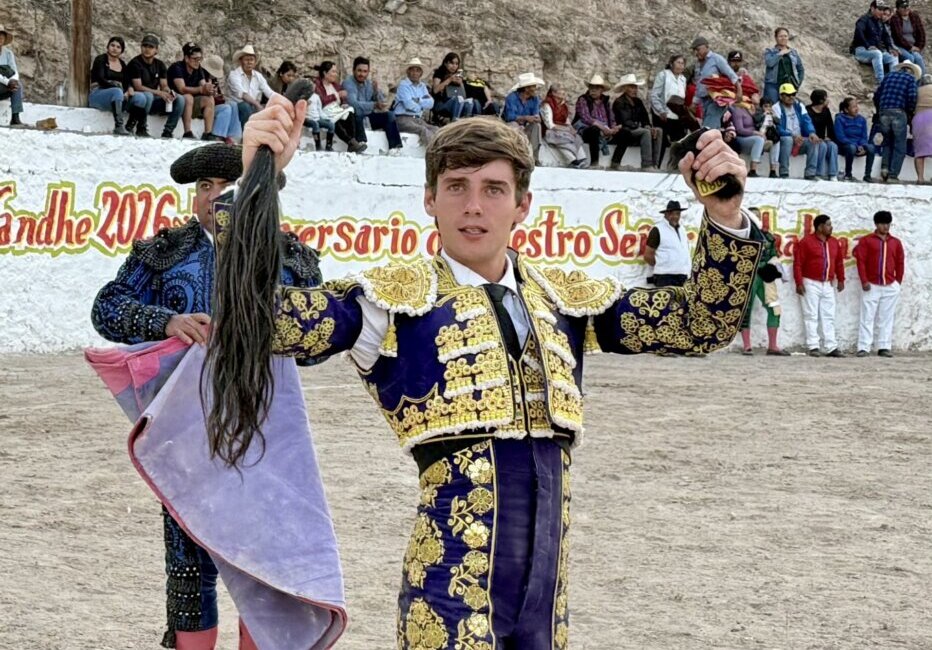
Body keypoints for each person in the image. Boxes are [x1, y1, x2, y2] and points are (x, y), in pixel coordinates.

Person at [209, 95, 761, 649]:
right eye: (457, 187)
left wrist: (724, 213)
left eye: (493, 190)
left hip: (547, 592)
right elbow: (263, 320)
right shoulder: (388, 301)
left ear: (523, 204)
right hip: (450, 584)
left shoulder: (567, 299)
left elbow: (698, 325)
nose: (474, 206)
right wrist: (258, 180)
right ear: (430, 199)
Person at [90, 143, 322, 650]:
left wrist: (273, 327)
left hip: (265, 433)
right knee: (188, 567)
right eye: (205, 187)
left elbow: (313, 349)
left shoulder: (290, 259)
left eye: (229, 188)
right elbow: (107, 309)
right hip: (185, 433)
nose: (215, 198)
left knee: (261, 567)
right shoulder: (165, 252)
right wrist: (165, 321)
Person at [853, 210, 905, 357]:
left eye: (888, 224)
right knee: (867, 316)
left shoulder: (896, 242)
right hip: (872, 284)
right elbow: (861, 262)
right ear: (876, 224)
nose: (886, 227)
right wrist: (864, 280)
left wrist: (898, 282)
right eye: (883, 224)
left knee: (886, 317)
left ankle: (884, 346)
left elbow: (900, 262)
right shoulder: (867, 241)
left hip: (890, 284)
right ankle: (864, 347)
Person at [794, 214, 846, 357]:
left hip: (828, 284)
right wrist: (799, 282)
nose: (831, 227)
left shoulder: (834, 242)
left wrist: (841, 279)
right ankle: (813, 346)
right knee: (811, 315)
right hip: (810, 282)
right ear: (820, 227)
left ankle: (831, 347)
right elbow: (798, 264)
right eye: (828, 224)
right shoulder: (806, 242)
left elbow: (839, 262)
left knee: (829, 315)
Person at [740, 208, 790, 356]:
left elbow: (774, 255)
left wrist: (773, 267)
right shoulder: (742, 236)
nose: (755, 220)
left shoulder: (768, 237)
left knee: (775, 308)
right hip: (747, 276)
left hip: (764, 275)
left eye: (757, 218)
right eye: (752, 217)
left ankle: (773, 346)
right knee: (745, 309)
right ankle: (747, 346)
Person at [126, 34, 185, 138]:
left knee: (180, 99)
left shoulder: (160, 65)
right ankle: (141, 127)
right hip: (139, 101)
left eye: (151, 47)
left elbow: (164, 85)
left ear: (156, 50)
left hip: (153, 101)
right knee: (148, 95)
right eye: (145, 46)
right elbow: (138, 87)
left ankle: (168, 131)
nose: (147, 49)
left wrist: (168, 92)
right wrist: (159, 92)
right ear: (141, 47)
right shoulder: (135, 63)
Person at [344, 56, 403, 153]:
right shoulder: (348, 83)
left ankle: (395, 148)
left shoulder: (369, 83)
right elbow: (354, 104)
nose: (362, 74)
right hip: (355, 118)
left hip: (368, 117)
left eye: (365, 71)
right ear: (353, 70)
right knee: (357, 113)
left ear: (368, 72)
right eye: (359, 71)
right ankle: (360, 143)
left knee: (389, 115)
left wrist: (376, 91)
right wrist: (374, 105)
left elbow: (382, 103)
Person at [874, 60, 919, 182]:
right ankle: (893, 175)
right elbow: (912, 97)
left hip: (884, 111)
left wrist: (880, 110)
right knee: (900, 145)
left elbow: (877, 95)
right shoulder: (910, 78)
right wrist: (909, 112)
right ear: (911, 70)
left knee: (887, 141)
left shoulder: (888, 76)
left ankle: (884, 169)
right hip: (899, 112)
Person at [771, 82, 822, 179]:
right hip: (785, 140)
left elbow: (807, 120)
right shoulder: (776, 108)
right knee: (787, 139)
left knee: (813, 142)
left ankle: (810, 173)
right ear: (781, 96)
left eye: (793, 94)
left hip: (799, 139)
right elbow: (778, 128)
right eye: (788, 95)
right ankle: (784, 172)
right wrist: (792, 135)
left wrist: (811, 132)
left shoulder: (799, 106)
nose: (791, 97)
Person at [611, 73, 662, 169]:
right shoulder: (619, 102)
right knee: (645, 132)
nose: (635, 90)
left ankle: (655, 164)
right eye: (632, 87)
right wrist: (641, 127)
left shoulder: (638, 102)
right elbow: (625, 121)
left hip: (636, 129)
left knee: (658, 131)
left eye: (635, 87)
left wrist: (648, 125)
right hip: (625, 130)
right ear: (625, 88)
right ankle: (646, 164)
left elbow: (645, 117)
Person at [314, 60, 366, 153]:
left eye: (336, 72)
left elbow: (341, 99)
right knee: (335, 121)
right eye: (333, 72)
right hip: (325, 111)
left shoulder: (336, 85)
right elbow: (321, 100)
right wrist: (336, 95)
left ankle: (353, 142)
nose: (335, 74)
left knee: (350, 112)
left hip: (336, 110)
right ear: (325, 73)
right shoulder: (317, 85)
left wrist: (344, 103)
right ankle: (352, 142)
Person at [691, 36, 742, 128]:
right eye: (694, 50)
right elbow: (699, 85)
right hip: (704, 102)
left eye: (698, 49)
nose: (696, 53)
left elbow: (731, 75)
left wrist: (739, 91)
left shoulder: (716, 59)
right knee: (709, 127)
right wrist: (694, 102)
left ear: (706, 47)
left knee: (709, 128)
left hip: (716, 100)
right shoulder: (698, 65)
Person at [168, 42, 215, 140]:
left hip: (191, 105)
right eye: (194, 59)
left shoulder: (198, 69)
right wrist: (201, 89)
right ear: (186, 58)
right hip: (174, 103)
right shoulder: (177, 67)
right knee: (188, 97)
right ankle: (187, 132)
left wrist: (209, 89)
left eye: (199, 59)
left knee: (209, 99)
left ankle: (207, 133)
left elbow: (203, 85)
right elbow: (182, 89)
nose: (197, 62)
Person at [649, 54, 690, 166]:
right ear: (672, 64)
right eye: (678, 62)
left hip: (676, 115)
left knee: (680, 142)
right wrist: (661, 110)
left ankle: (674, 165)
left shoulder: (683, 79)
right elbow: (655, 95)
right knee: (661, 141)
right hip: (663, 114)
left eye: (682, 63)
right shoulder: (663, 75)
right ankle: (655, 165)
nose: (680, 66)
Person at [89, 36, 132, 135]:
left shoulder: (122, 64)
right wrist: (116, 86)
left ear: (122, 50)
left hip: (116, 97)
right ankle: (119, 126)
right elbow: (100, 79)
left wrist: (128, 90)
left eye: (118, 47)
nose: (114, 48)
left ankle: (131, 127)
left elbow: (126, 82)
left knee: (138, 98)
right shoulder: (100, 59)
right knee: (117, 91)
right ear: (107, 46)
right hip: (98, 94)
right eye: (112, 45)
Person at [573, 74, 620, 166]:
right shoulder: (583, 99)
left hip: (605, 130)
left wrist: (613, 128)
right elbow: (585, 118)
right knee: (594, 130)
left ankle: (616, 162)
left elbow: (612, 118)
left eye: (596, 88)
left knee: (625, 133)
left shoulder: (606, 102)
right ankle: (594, 162)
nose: (593, 90)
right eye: (591, 87)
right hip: (586, 130)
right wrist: (602, 127)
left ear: (602, 90)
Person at [643, 200, 692, 287]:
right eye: (671, 214)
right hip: (665, 278)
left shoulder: (682, 230)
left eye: (677, 213)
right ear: (665, 214)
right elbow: (648, 256)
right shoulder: (657, 229)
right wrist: (662, 265)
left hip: (682, 277)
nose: (675, 216)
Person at [851, 0, 900, 84]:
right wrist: (868, 46)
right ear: (872, 8)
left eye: (882, 10)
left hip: (875, 50)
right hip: (861, 50)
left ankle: (893, 82)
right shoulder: (864, 19)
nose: (881, 12)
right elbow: (859, 33)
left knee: (893, 56)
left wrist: (890, 48)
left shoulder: (879, 22)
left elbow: (886, 36)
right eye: (879, 9)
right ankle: (881, 82)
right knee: (877, 53)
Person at [540, 83, 588, 168]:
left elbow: (566, 120)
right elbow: (549, 125)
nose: (563, 93)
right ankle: (572, 160)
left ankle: (581, 158)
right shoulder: (547, 105)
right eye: (560, 91)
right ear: (553, 93)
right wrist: (565, 130)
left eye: (564, 91)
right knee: (562, 137)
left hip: (562, 129)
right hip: (550, 131)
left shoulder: (563, 106)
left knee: (575, 137)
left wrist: (571, 129)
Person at [228, 44, 276, 128]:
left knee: (269, 108)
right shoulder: (234, 74)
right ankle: (246, 135)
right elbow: (243, 94)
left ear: (254, 62)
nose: (249, 62)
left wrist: (281, 101)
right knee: (246, 106)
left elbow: (269, 92)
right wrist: (258, 105)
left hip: (253, 106)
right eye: (246, 59)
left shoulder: (258, 76)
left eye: (251, 60)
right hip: (238, 107)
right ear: (241, 61)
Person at [394, 57, 438, 145]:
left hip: (417, 119)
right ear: (408, 72)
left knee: (436, 129)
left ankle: (443, 151)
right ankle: (433, 153)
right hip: (403, 119)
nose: (415, 73)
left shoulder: (422, 86)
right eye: (412, 70)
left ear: (421, 73)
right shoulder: (403, 85)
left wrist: (418, 100)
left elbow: (431, 103)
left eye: (417, 70)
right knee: (423, 130)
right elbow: (409, 105)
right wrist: (422, 106)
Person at [502, 72, 544, 164]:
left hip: (526, 126)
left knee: (537, 126)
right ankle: (515, 156)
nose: (535, 89)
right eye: (533, 86)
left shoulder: (535, 99)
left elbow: (536, 115)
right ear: (526, 88)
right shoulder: (512, 97)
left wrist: (535, 118)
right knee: (514, 125)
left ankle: (533, 157)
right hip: (511, 125)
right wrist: (525, 118)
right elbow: (510, 117)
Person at [200, 54, 242, 143]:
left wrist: (218, 96)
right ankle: (217, 135)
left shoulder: (213, 79)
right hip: (205, 105)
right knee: (226, 108)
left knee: (233, 104)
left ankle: (230, 135)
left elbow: (219, 97)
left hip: (214, 103)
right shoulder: (201, 76)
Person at [431, 52, 477, 123]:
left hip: (456, 102)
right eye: (451, 63)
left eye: (456, 64)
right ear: (445, 63)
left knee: (469, 102)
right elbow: (435, 90)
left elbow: (464, 94)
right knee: (458, 99)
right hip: (441, 103)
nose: (454, 66)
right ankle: (454, 123)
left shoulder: (458, 75)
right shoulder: (439, 73)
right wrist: (449, 80)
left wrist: (461, 83)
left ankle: (465, 124)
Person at [729, 89, 767, 176]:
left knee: (770, 140)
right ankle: (753, 169)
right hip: (741, 138)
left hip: (751, 137)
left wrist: (753, 114)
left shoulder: (751, 110)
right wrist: (755, 133)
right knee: (758, 139)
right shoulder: (738, 110)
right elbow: (740, 130)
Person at [763, 27, 805, 104]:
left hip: (789, 85)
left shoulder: (793, 52)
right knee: (773, 107)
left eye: (785, 36)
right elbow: (770, 63)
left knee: (788, 107)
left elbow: (800, 69)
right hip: (773, 85)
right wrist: (780, 54)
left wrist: (798, 83)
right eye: (780, 36)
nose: (783, 38)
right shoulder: (770, 51)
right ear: (776, 38)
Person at [806, 89, 840, 180]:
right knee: (822, 146)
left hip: (823, 138)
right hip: (812, 138)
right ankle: (818, 173)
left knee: (833, 146)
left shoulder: (826, 111)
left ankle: (833, 173)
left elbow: (830, 126)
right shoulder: (808, 110)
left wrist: (830, 137)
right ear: (821, 100)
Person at [890, 0, 927, 74]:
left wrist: (919, 47)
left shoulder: (914, 16)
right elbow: (898, 37)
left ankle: (922, 80)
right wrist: (910, 47)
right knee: (910, 58)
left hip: (913, 46)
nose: (906, 9)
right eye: (903, 7)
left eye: (907, 6)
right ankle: (908, 80)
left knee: (918, 58)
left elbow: (921, 33)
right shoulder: (895, 18)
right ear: (898, 9)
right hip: (900, 45)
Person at [0, 24, 24, 127]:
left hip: (5, 86)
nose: (0, 39)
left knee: (18, 86)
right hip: (2, 83)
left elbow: (14, 70)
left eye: (1, 37)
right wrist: (7, 82)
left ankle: (15, 117)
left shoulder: (8, 53)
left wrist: (13, 81)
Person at [912, 73, 932, 182]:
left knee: (920, 151)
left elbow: (911, 104)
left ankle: (920, 178)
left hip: (919, 118)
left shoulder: (917, 90)